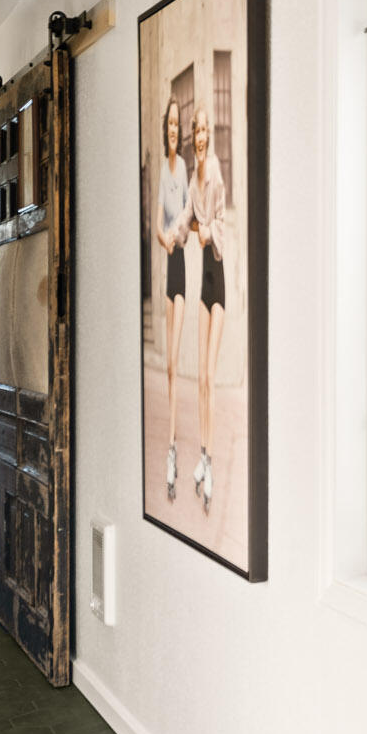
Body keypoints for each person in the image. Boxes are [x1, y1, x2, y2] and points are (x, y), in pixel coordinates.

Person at [188, 109, 229, 511]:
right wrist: (175, 233)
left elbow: (220, 223)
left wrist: (203, 233)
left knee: (212, 378)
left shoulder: (214, 170)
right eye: (196, 129)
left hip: (218, 284)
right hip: (201, 285)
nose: (200, 135)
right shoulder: (193, 175)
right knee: (199, 377)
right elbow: (188, 215)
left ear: (209, 134)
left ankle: (212, 459)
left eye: (205, 129)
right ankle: (202, 453)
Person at [154, 99, 192, 499]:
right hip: (167, 261)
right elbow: (157, 221)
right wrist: (163, 236)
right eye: (169, 123)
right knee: (166, 361)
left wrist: (173, 236)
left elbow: (183, 217)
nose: (173, 129)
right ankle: (170, 429)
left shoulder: (182, 168)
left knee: (176, 357)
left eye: (177, 124)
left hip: (179, 262)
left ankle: (172, 440)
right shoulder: (163, 172)